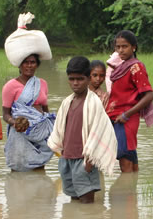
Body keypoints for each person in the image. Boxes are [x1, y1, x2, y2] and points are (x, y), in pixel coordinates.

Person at [47, 56, 117, 204]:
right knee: (73, 199)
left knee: (86, 201)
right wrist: (61, 152)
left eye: (80, 79)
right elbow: (60, 129)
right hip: (67, 158)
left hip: (84, 159)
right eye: (71, 79)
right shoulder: (67, 102)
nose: (75, 83)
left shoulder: (93, 103)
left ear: (88, 79)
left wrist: (90, 160)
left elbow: (100, 131)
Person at [2, 12, 55, 172]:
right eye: (26, 62)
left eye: (32, 62)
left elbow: (45, 110)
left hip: (40, 133)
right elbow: (5, 114)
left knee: (39, 169)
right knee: (19, 169)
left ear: (37, 64)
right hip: (20, 133)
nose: (29, 66)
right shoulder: (10, 86)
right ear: (20, 65)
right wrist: (15, 123)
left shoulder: (42, 84)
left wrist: (51, 129)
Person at [106, 30, 153, 173]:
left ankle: (126, 191)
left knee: (125, 158)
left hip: (125, 119)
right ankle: (132, 190)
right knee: (130, 156)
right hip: (116, 117)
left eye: (125, 46)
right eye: (118, 47)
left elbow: (149, 95)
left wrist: (126, 114)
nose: (121, 50)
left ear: (134, 47)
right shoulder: (122, 66)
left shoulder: (135, 67)